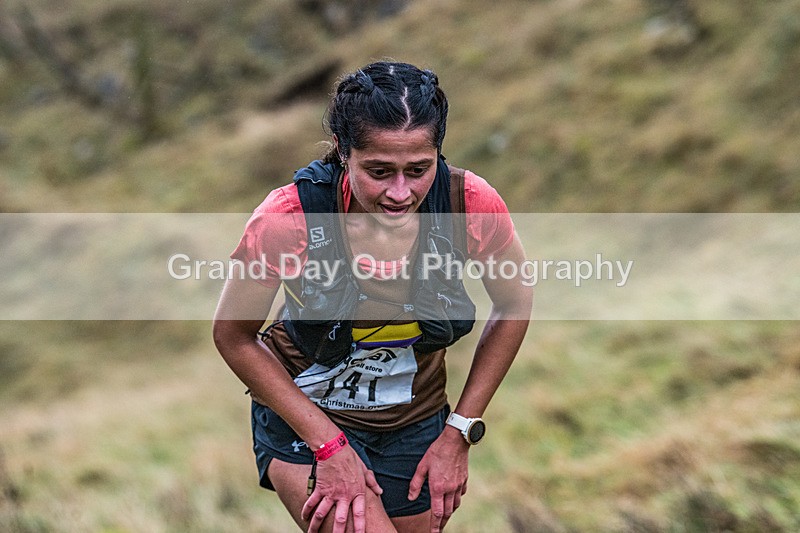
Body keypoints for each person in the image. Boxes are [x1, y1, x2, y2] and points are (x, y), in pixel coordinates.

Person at [213, 61, 533, 533]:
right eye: (379, 171)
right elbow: (233, 336)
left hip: (416, 423)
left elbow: (515, 303)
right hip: (308, 416)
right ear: (344, 152)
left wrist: (459, 431)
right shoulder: (289, 217)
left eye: (418, 170)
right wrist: (328, 445)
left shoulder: (469, 203)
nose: (400, 192)